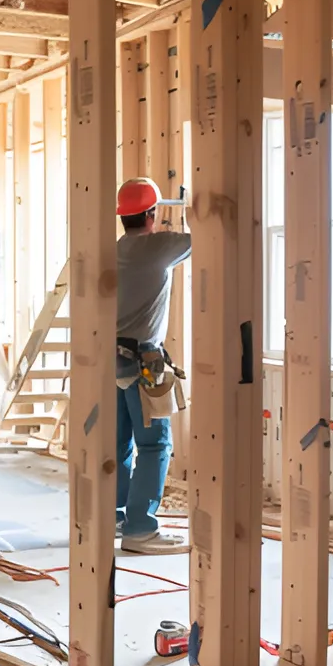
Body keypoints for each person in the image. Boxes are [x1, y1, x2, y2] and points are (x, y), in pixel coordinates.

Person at [115, 178, 191, 552]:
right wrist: (190, 209)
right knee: (155, 444)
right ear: (151, 214)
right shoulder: (160, 246)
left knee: (117, 444)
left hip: (109, 361)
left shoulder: (113, 250)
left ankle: (115, 517)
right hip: (144, 362)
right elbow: (201, 238)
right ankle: (140, 529)